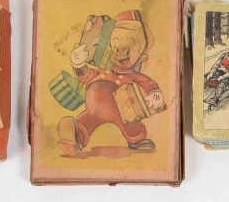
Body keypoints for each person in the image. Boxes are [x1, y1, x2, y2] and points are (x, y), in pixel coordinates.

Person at [57, 10, 165, 155]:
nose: (119, 53)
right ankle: (74, 140)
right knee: (85, 122)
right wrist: (77, 64)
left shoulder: (132, 76)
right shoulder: (104, 71)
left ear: (142, 58)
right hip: (94, 111)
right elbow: (86, 75)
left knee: (131, 122)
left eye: (127, 50)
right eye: (116, 48)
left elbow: (146, 82)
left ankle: (137, 141)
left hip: (123, 112)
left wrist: (155, 92)